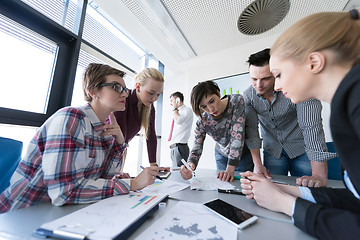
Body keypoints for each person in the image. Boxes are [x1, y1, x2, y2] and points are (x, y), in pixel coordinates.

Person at [241, 9, 360, 239]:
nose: (275, 85)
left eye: (278, 75)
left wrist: (284, 203)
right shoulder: (346, 103)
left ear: (314, 62)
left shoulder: (353, 100)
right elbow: (355, 199)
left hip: (299, 146)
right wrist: (283, 190)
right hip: (273, 148)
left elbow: (311, 127)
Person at [0, 63, 166, 213]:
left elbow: (104, 178)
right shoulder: (71, 119)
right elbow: (64, 193)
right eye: (116, 87)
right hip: (21, 211)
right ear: (93, 92)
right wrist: (132, 184)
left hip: (60, 213)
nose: (124, 93)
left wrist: (120, 142)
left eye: (124, 88)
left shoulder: (106, 131)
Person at [243, 48, 336, 187]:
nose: (258, 85)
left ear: (276, 73)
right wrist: (257, 164)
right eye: (254, 79)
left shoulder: (298, 88)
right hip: (273, 151)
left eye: (265, 78)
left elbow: (311, 128)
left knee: (309, 190)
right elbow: (251, 130)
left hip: (302, 149)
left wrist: (318, 175)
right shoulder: (249, 96)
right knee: (273, 188)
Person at [180, 81, 268, 182]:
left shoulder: (236, 101)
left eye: (211, 101)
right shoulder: (202, 121)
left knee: (244, 186)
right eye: (204, 107)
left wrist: (230, 169)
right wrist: (191, 164)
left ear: (218, 93)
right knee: (223, 186)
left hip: (243, 154)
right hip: (221, 155)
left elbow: (237, 136)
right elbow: (197, 146)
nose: (210, 109)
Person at [114, 68, 164, 167]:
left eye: (158, 94)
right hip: (109, 148)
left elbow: (151, 135)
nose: (154, 98)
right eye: (151, 93)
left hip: (120, 151)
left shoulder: (149, 107)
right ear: (138, 86)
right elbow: (120, 134)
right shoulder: (124, 98)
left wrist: (153, 164)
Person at [168, 92, 193, 167]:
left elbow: (178, 120)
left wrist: (175, 110)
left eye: (172, 101)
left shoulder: (187, 110)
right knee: (175, 172)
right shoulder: (177, 113)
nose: (171, 104)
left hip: (180, 147)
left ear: (177, 99)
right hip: (174, 147)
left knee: (180, 173)